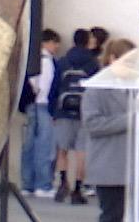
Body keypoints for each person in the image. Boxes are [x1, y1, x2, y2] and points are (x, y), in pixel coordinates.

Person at [81, 36, 138, 222]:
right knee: (112, 217)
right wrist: (131, 119)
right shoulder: (97, 88)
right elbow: (92, 124)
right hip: (109, 164)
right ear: (112, 59)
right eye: (128, 62)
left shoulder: (137, 86)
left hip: (135, 164)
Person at [51, 28, 99, 204]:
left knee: (62, 150)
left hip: (64, 112)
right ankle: (78, 189)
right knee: (81, 152)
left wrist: (53, 110)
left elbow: (54, 87)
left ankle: (63, 182)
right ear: (87, 42)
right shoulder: (93, 63)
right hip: (84, 113)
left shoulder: (63, 61)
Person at [21, 29, 60, 196]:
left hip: (30, 106)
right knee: (44, 147)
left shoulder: (30, 60)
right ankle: (43, 184)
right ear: (47, 42)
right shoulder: (47, 61)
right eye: (55, 42)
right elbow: (46, 87)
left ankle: (27, 184)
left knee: (28, 147)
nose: (57, 46)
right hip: (43, 106)